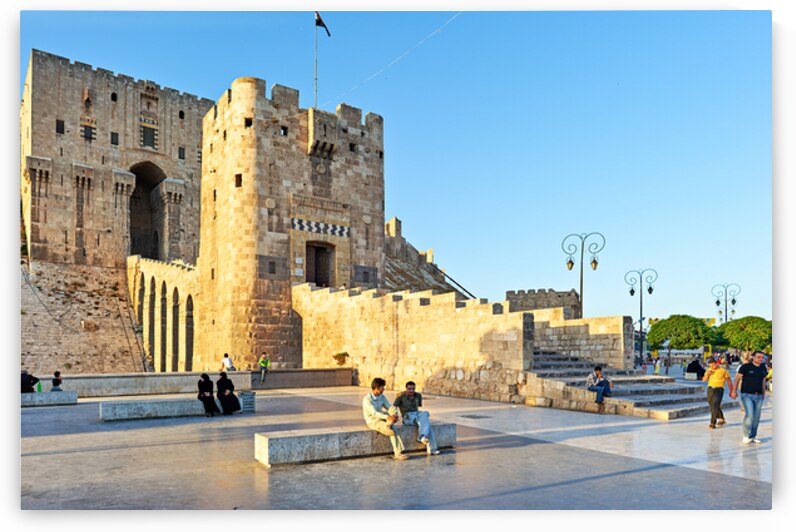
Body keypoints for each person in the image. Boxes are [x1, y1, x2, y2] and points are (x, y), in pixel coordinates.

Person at [362, 378, 407, 460]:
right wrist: (387, 417)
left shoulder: (381, 396)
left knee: (393, 428)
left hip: (382, 418)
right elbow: (374, 413)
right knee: (392, 431)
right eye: (382, 387)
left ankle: (397, 453)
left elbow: (389, 406)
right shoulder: (367, 399)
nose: (384, 389)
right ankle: (387, 426)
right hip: (372, 421)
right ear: (377, 388)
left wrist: (394, 414)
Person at [392, 381, 440, 455]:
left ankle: (422, 437)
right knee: (426, 424)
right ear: (406, 388)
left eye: (413, 389)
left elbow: (419, 407)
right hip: (407, 416)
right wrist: (394, 416)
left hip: (416, 414)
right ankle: (432, 448)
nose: (411, 391)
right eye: (409, 389)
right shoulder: (400, 396)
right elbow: (394, 407)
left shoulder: (418, 395)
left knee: (425, 414)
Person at [731, 351, 768, 445]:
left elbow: (764, 381)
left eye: (762, 357)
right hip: (747, 395)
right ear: (753, 357)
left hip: (759, 396)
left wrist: (763, 393)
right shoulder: (745, 367)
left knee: (756, 417)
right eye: (758, 357)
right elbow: (737, 379)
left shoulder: (763, 368)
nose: (761, 359)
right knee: (750, 415)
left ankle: (752, 436)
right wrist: (734, 391)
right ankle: (746, 435)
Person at [702, 357, 733, 429]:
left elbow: (728, 380)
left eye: (713, 365)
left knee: (714, 404)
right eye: (710, 366)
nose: (712, 367)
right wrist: (707, 375)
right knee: (712, 405)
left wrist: (732, 390)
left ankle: (712, 422)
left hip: (719, 389)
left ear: (716, 363)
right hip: (710, 389)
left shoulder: (723, 371)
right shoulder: (709, 370)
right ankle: (721, 418)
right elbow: (704, 380)